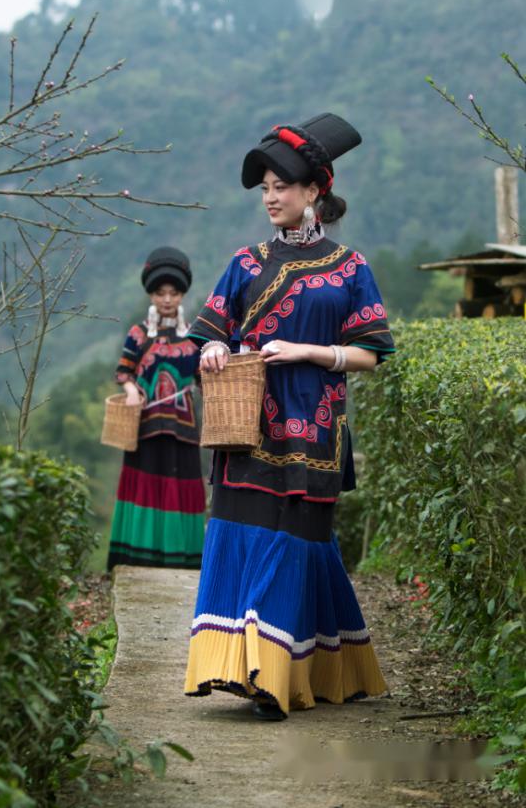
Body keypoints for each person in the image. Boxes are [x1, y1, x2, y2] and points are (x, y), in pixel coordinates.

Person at [182, 113, 395, 721]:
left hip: (317, 433)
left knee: (297, 543)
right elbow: (209, 334)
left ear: (314, 193)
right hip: (247, 428)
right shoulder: (244, 263)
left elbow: (372, 353)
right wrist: (216, 348)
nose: (271, 197)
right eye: (265, 188)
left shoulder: (349, 269)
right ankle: (251, 668)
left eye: (282, 186)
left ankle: (275, 674)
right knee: (244, 536)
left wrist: (308, 351)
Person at [108, 246, 205, 570]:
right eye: (160, 293)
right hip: (146, 427)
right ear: (151, 294)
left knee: (181, 488)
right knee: (146, 488)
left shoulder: (194, 338)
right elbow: (123, 371)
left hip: (183, 430)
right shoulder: (138, 335)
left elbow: (203, 379)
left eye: (174, 293)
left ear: (181, 295)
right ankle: (137, 558)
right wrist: (131, 389)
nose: (167, 299)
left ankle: (183, 559)